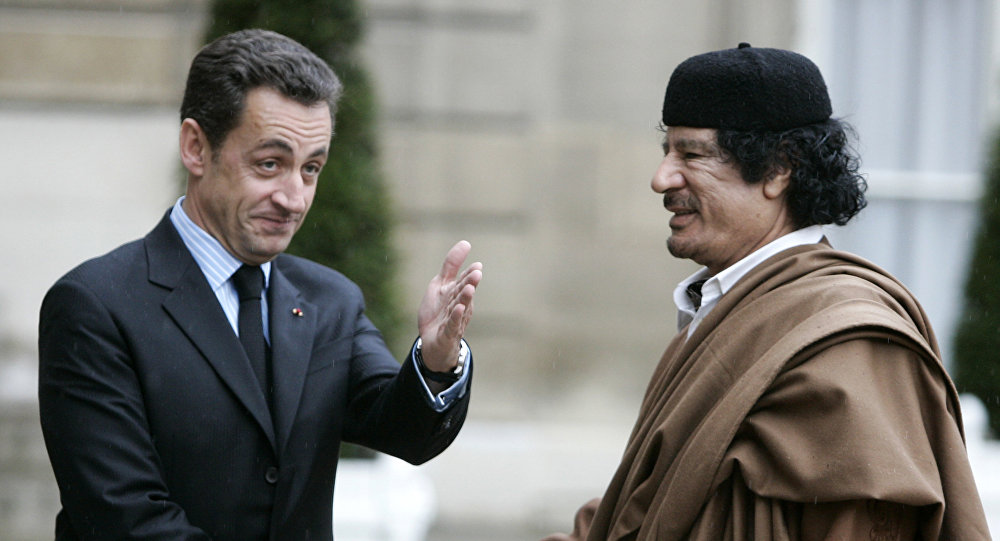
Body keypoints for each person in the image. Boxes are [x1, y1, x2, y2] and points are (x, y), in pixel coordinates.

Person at [38, 29, 482, 541]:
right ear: (196, 148)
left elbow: (404, 432)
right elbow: (125, 519)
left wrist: (436, 360)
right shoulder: (95, 306)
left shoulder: (331, 300)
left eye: (311, 169)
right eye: (270, 164)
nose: (294, 198)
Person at [545, 43, 990, 541]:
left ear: (780, 168)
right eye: (666, 151)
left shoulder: (852, 343)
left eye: (692, 154)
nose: (661, 178)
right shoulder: (725, 308)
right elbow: (640, 513)